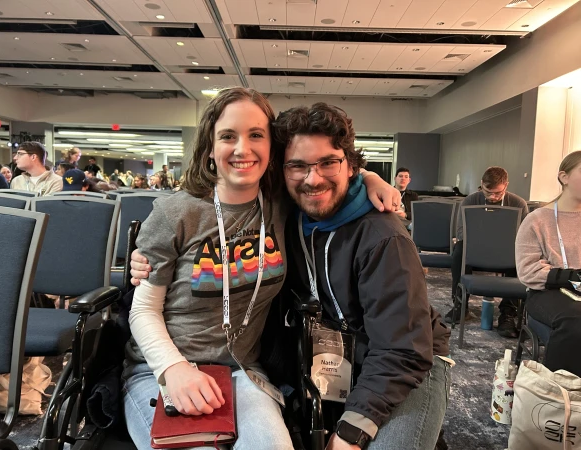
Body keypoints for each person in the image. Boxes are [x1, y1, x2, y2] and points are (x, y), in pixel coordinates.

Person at [122, 88, 399, 450]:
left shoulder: (281, 204)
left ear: (273, 147)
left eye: (256, 135)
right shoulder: (176, 214)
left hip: (242, 371)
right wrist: (172, 369)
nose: (243, 148)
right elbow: (143, 309)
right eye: (228, 136)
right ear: (209, 146)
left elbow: (330, 169)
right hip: (160, 369)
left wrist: (372, 179)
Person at [275, 103, 451, 450]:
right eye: (298, 165)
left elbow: (403, 349)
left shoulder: (384, 238)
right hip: (338, 360)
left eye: (328, 162)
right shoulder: (286, 219)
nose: (313, 178)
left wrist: (350, 432)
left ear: (351, 165)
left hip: (409, 362)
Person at [515, 151, 581, 377]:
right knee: (576, 321)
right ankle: (561, 394)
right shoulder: (538, 220)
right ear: (564, 177)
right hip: (548, 292)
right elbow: (528, 272)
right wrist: (572, 276)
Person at [445, 166, 529, 338]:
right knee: (459, 250)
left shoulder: (518, 204)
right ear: (481, 184)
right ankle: (460, 304)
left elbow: (525, 236)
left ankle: (508, 313)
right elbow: (461, 233)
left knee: (521, 255)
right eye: (487, 192)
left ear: (506, 185)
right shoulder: (470, 201)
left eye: (497, 193)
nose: (492, 197)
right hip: (476, 249)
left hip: (507, 252)